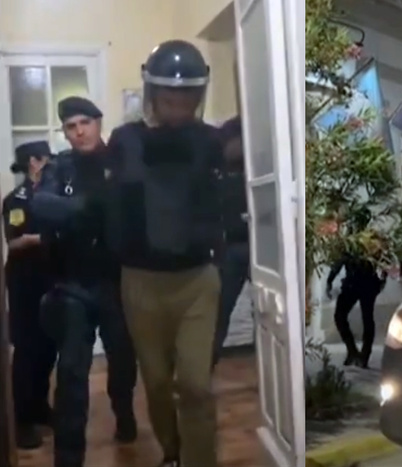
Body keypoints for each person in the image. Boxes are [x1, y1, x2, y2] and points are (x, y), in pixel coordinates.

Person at [103, 40, 223, 467]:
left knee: (195, 385)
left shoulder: (212, 141)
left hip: (196, 282)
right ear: (153, 93)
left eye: (186, 97)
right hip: (141, 282)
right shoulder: (125, 140)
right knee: (155, 382)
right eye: (170, 97)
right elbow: (111, 207)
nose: (178, 106)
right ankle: (172, 453)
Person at [31, 96, 138, 467]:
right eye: (71, 127)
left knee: (123, 363)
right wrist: (87, 207)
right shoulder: (60, 168)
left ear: (98, 122)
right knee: (72, 373)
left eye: (85, 123)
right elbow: (41, 205)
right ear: (65, 132)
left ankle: (125, 416)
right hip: (72, 284)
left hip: (116, 283)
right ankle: (68, 457)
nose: (79, 132)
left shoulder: (120, 162)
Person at [2, 141, 56, 449]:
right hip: (25, 282)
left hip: (50, 278)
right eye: (47, 161)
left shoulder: (53, 196)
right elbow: (15, 242)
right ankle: (22, 421)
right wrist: (46, 237)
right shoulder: (17, 200)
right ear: (34, 163)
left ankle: (39, 407)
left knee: (48, 347)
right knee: (27, 349)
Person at [326, 208, 387, 368]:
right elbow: (340, 260)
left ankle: (363, 355)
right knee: (341, 316)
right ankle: (353, 351)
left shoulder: (373, 239)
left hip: (367, 283)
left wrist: (382, 280)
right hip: (353, 283)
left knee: (366, 319)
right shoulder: (352, 239)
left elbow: (384, 261)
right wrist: (330, 280)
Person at [212, 116, 250, 367]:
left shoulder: (259, 166)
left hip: (258, 242)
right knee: (219, 312)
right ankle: (204, 369)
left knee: (273, 310)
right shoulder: (219, 174)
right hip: (232, 247)